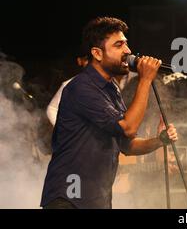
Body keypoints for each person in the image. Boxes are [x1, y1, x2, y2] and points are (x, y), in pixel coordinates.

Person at [40, 16, 178, 209]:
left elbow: (127, 145)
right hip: (70, 197)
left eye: (126, 44)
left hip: (97, 197)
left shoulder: (111, 88)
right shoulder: (81, 87)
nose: (128, 51)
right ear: (97, 53)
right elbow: (128, 128)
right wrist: (145, 80)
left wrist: (159, 140)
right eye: (119, 45)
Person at [46, 52, 89, 126]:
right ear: (80, 61)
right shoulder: (70, 85)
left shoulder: (110, 82)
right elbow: (52, 109)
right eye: (87, 59)